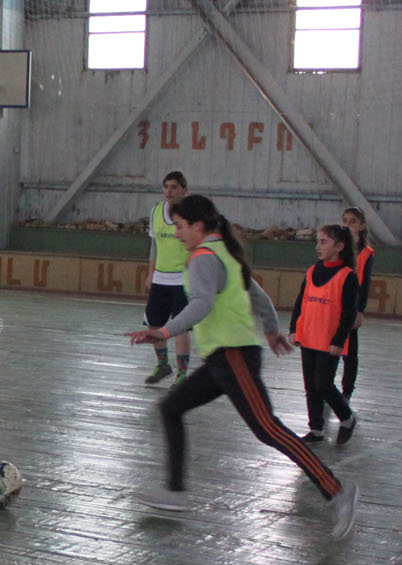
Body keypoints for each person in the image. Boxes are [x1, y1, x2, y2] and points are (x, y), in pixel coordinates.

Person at [127, 193, 358, 539]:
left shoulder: (204, 258)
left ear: (198, 225)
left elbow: (202, 304)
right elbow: (258, 296)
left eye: (181, 227)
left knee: (268, 430)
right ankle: (174, 491)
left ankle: (337, 491)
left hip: (233, 355)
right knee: (170, 407)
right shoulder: (225, 252)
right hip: (222, 358)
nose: (177, 234)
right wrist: (271, 330)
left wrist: (163, 331)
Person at [287, 223, 360, 445]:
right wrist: (294, 329)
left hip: (329, 341)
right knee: (310, 386)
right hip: (308, 336)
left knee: (323, 384)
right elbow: (300, 302)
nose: (318, 246)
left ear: (339, 246)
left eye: (324, 242)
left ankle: (346, 418)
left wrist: (339, 340)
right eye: (318, 242)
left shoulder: (347, 276)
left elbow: (348, 313)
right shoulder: (312, 271)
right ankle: (316, 429)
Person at [142, 171, 193, 386]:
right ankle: (163, 365)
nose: (169, 191)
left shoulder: (192, 214)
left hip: (183, 279)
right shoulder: (156, 211)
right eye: (166, 187)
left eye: (174, 187)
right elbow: (154, 245)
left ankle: (182, 373)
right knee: (154, 324)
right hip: (161, 278)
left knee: (181, 327)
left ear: (184, 190)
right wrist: (151, 272)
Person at [339, 206, 374, 402]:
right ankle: (326, 387)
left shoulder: (366, 253)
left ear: (361, 226)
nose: (348, 225)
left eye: (352, 221)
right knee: (329, 348)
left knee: (350, 352)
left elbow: (365, 283)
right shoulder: (337, 249)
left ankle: (347, 391)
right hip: (334, 305)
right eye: (345, 221)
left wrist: (360, 310)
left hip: (351, 307)